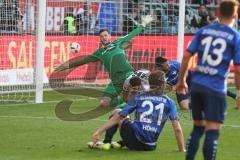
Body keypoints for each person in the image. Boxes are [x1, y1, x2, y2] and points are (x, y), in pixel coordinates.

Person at [54, 15, 154, 120]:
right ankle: (124, 101)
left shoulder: (118, 42)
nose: (104, 38)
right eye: (101, 36)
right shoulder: (99, 53)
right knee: (104, 103)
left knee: (132, 92)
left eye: (105, 35)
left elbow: (132, 34)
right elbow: (83, 60)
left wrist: (143, 24)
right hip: (115, 81)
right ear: (100, 39)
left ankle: (137, 97)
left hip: (127, 74)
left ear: (109, 36)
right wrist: (67, 65)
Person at [176, 1, 240, 160]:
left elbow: (186, 55)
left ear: (218, 13)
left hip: (197, 86)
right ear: (235, 15)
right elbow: (238, 69)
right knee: (212, 130)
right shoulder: (235, 36)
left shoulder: (204, 30)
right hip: (216, 88)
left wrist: (181, 80)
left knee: (198, 128)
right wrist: (239, 92)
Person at [90, 71, 185, 151]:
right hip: (150, 146)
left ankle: (106, 142)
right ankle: (122, 143)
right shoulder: (170, 102)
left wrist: (98, 132)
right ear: (163, 84)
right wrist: (182, 149)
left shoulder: (139, 97)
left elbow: (119, 116)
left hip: (134, 140)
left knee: (118, 112)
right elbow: (177, 129)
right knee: (134, 123)